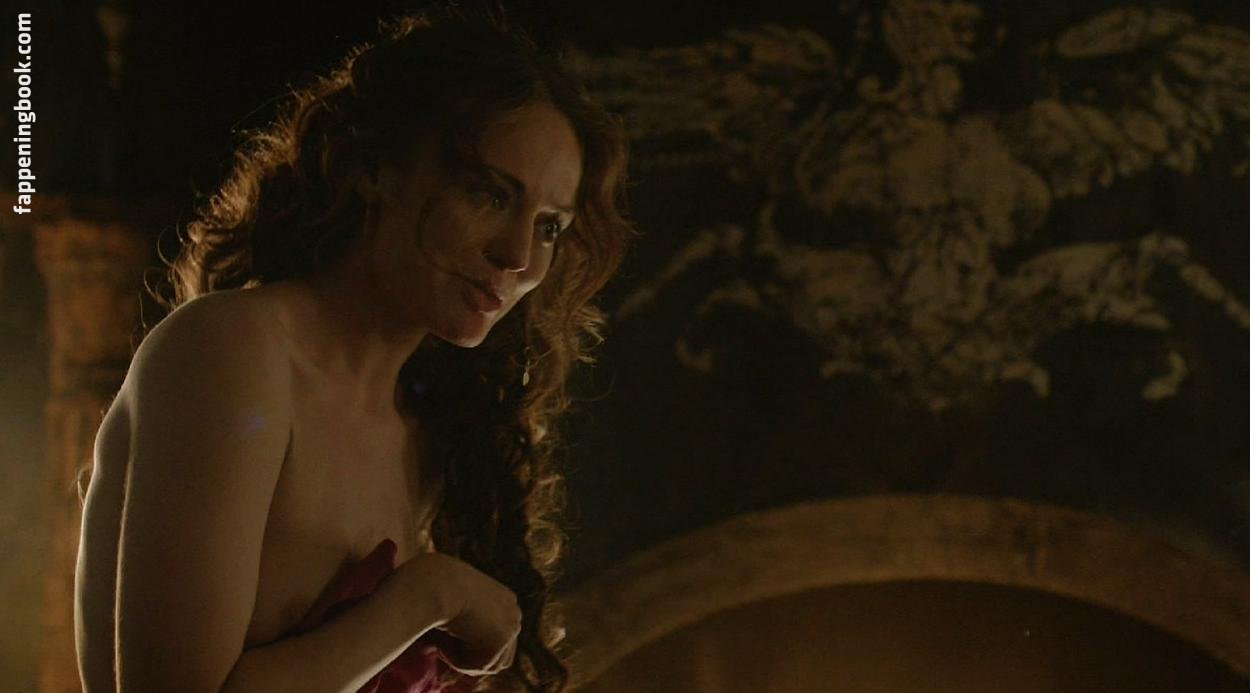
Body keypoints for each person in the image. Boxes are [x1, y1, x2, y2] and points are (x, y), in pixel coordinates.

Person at [73, 6, 634, 692]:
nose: (517, 254)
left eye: (549, 226)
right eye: (488, 194)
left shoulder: (427, 432)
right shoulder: (234, 349)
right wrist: (428, 596)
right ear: (375, 167)